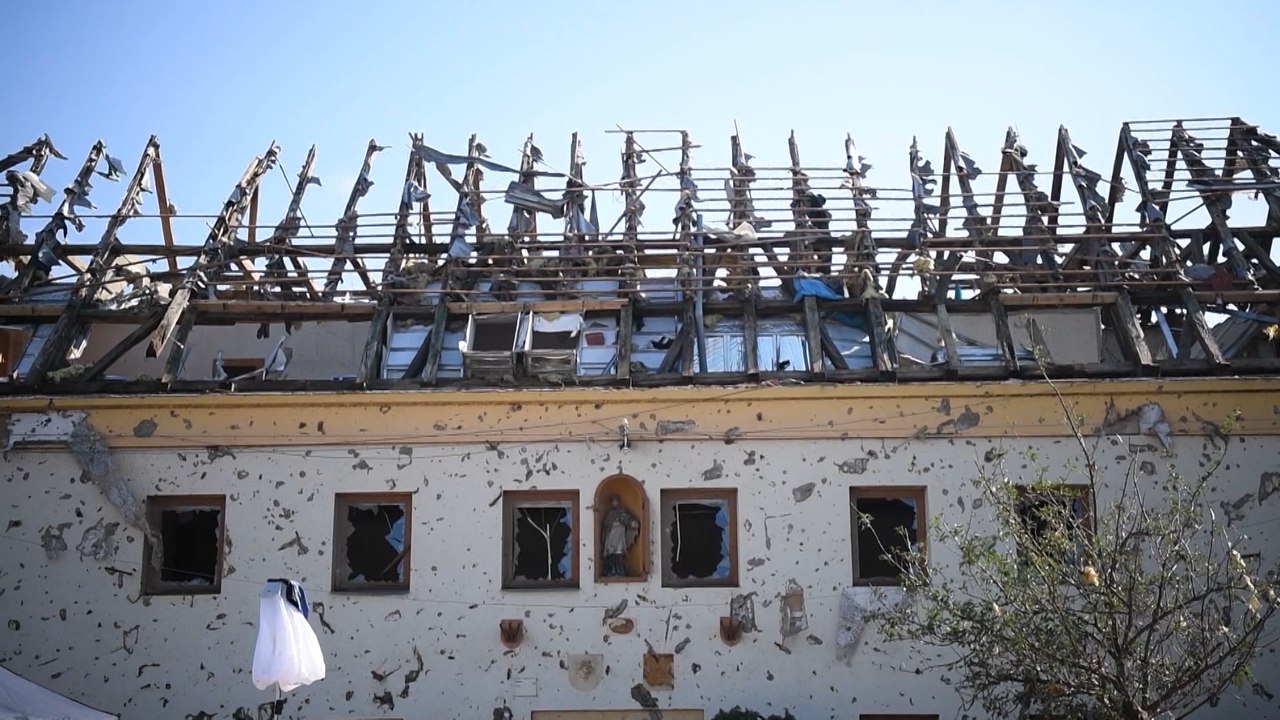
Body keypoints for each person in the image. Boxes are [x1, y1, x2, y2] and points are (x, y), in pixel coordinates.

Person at [601, 494, 639, 577]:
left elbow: (626, 519)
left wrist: (632, 523)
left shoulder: (622, 511)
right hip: (612, 535)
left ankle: (620, 571)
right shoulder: (610, 513)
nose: (615, 503)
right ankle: (611, 571)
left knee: (619, 552)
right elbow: (606, 524)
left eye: (616, 501)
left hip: (619, 535)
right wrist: (611, 524)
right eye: (613, 501)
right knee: (611, 553)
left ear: (618, 501)